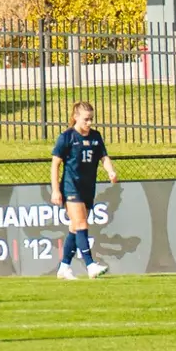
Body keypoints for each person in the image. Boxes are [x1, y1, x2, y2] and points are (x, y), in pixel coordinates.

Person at [50, 100, 118, 280]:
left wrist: (110, 171)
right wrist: (56, 190)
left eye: (91, 119)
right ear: (75, 118)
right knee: (81, 224)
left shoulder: (95, 137)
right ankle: (90, 265)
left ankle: (64, 267)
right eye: (86, 120)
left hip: (88, 188)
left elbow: (104, 157)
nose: (89, 123)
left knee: (74, 228)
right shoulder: (67, 137)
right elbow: (55, 165)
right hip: (71, 187)